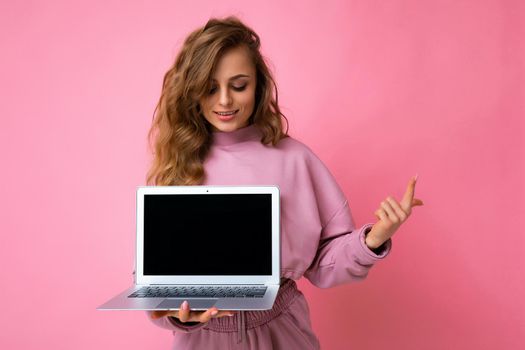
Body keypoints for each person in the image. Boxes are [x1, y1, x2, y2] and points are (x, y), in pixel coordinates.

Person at [142, 15, 424, 350]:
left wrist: (374, 239)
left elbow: (324, 262)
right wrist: (177, 313)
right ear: (191, 91)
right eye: (209, 87)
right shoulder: (178, 164)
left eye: (238, 85)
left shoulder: (295, 159)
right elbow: (154, 282)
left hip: (281, 328)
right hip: (204, 338)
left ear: (259, 86)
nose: (224, 101)